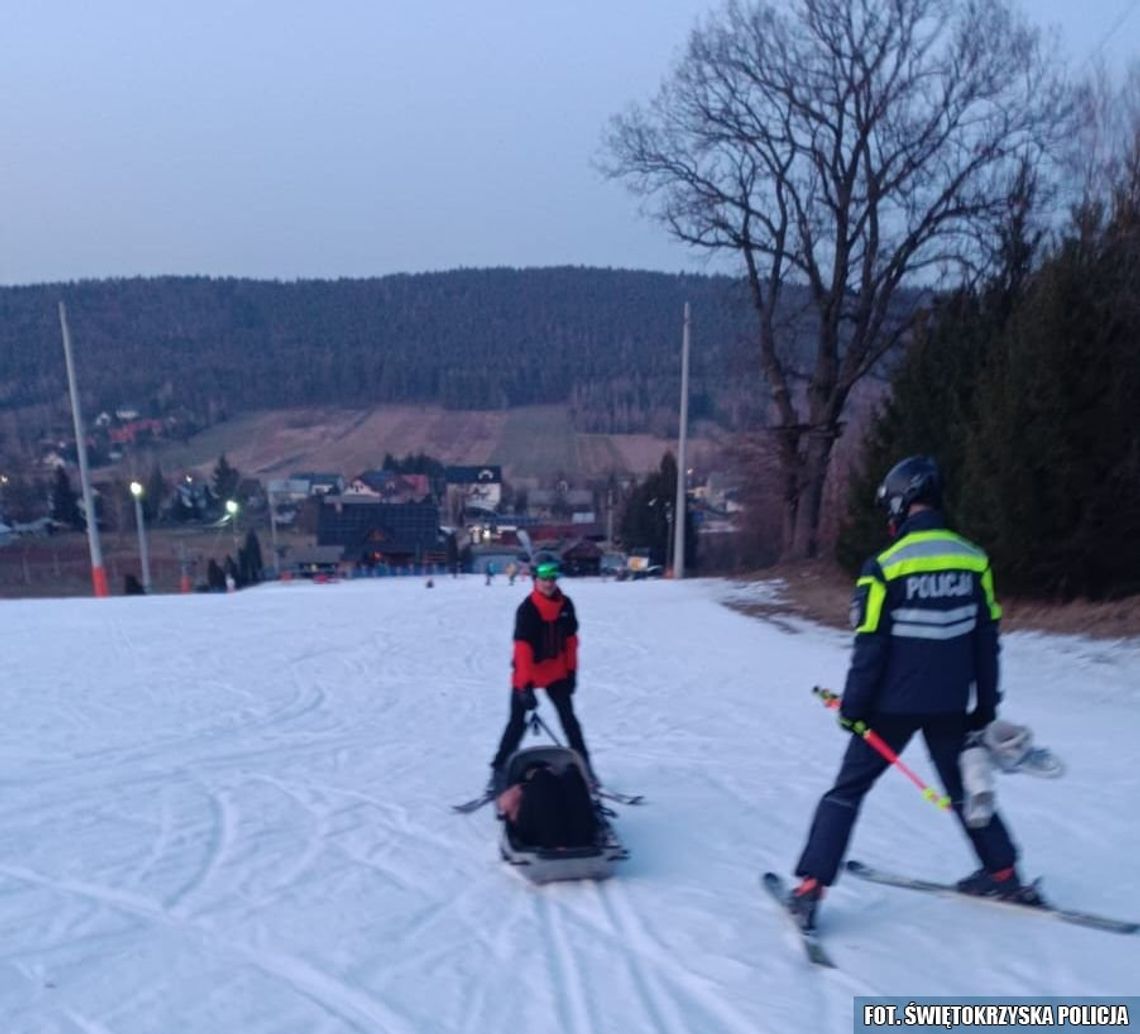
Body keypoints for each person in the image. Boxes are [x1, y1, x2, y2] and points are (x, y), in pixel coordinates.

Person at [788, 455, 1034, 930]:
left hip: (888, 708)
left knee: (847, 791)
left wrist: (854, 709)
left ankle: (810, 889)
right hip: (950, 705)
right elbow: (986, 642)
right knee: (965, 790)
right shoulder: (974, 559)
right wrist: (984, 707)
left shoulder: (883, 566)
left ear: (902, 504)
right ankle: (1004, 872)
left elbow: (870, 648)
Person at [488, 553, 594, 793]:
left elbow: (570, 642)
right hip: (528, 673)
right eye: (544, 578)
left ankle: (585, 766)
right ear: (535, 579)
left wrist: (571, 672)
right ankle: (498, 770)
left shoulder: (566, 605)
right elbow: (522, 650)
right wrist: (524, 687)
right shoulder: (528, 609)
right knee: (516, 723)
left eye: (553, 577)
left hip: (556, 672)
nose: (549, 583)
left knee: (570, 721)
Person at [496, 760, 597, 849]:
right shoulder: (521, 788)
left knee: (572, 775)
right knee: (542, 779)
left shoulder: (562, 785)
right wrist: (523, 787)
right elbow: (503, 805)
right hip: (535, 832)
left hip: (572, 831)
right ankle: (556, 843)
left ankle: (582, 839)